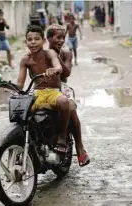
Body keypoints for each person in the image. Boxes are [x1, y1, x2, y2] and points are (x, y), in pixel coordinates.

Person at [17, 25, 71, 154]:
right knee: (22, 110)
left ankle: (62, 136)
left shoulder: (49, 53)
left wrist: (55, 70)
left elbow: (59, 67)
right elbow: (20, 82)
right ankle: (30, 139)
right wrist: (11, 89)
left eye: (37, 39)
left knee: (65, 102)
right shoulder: (25, 59)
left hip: (53, 92)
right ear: (26, 42)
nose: (33, 42)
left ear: (44, 41)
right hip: (37, 93)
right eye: (30, 39)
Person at [46, 24, 90, 166]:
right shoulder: (43, 54)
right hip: (46, 89)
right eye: (58, 37)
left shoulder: (66, 54)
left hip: (62, 88)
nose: (61, 41)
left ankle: (78, 146)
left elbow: (67, 73)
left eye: (63, 38)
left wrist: (56, 57)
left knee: (71, 107)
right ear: (48, 38)